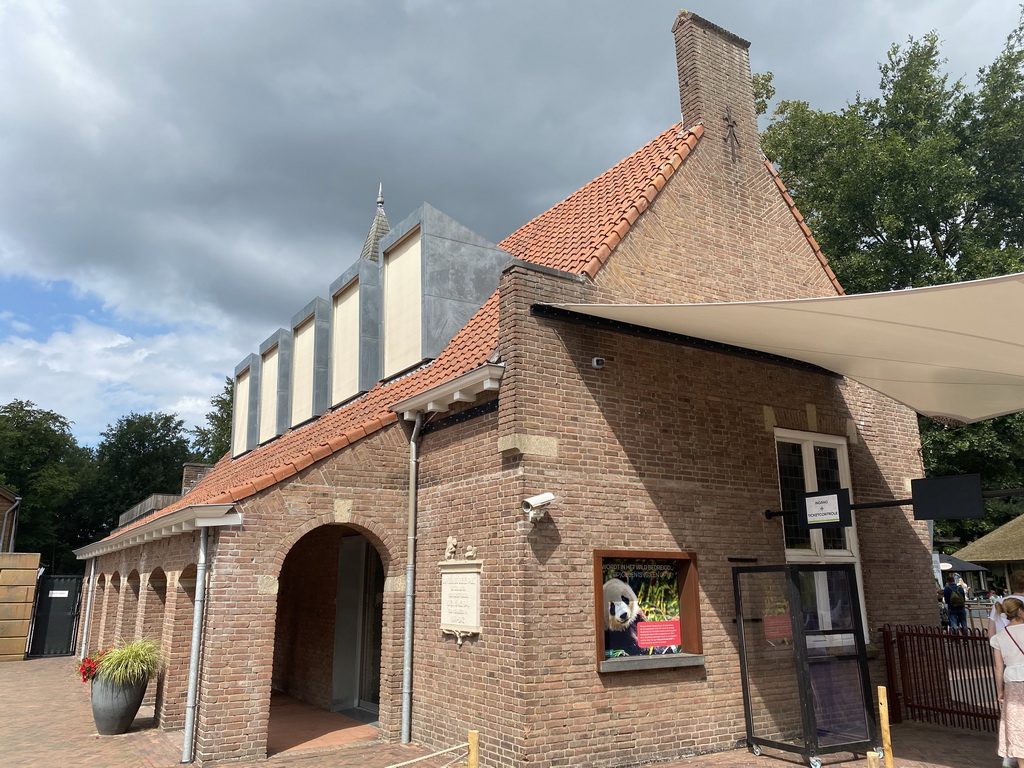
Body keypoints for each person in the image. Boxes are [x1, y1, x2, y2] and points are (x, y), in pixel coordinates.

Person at [991, 597, 1024, 767]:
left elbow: (998, 666)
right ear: (1020, 611)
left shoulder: (999, 637)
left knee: (1017, 724)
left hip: (1012, 683)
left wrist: (1000, 690)